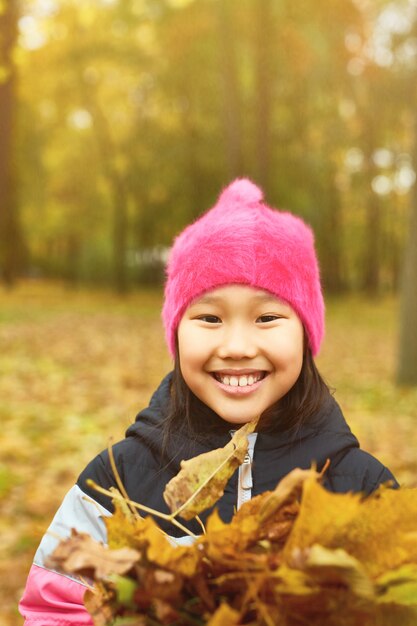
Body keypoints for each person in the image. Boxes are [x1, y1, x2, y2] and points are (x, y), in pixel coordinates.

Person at [19, 178, 398, 624]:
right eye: (210, 317)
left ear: (306, 334)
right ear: (177, 333)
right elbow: (57, 608)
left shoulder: (361, 489)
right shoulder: (115, 484)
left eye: (267, 317)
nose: (237, 345)